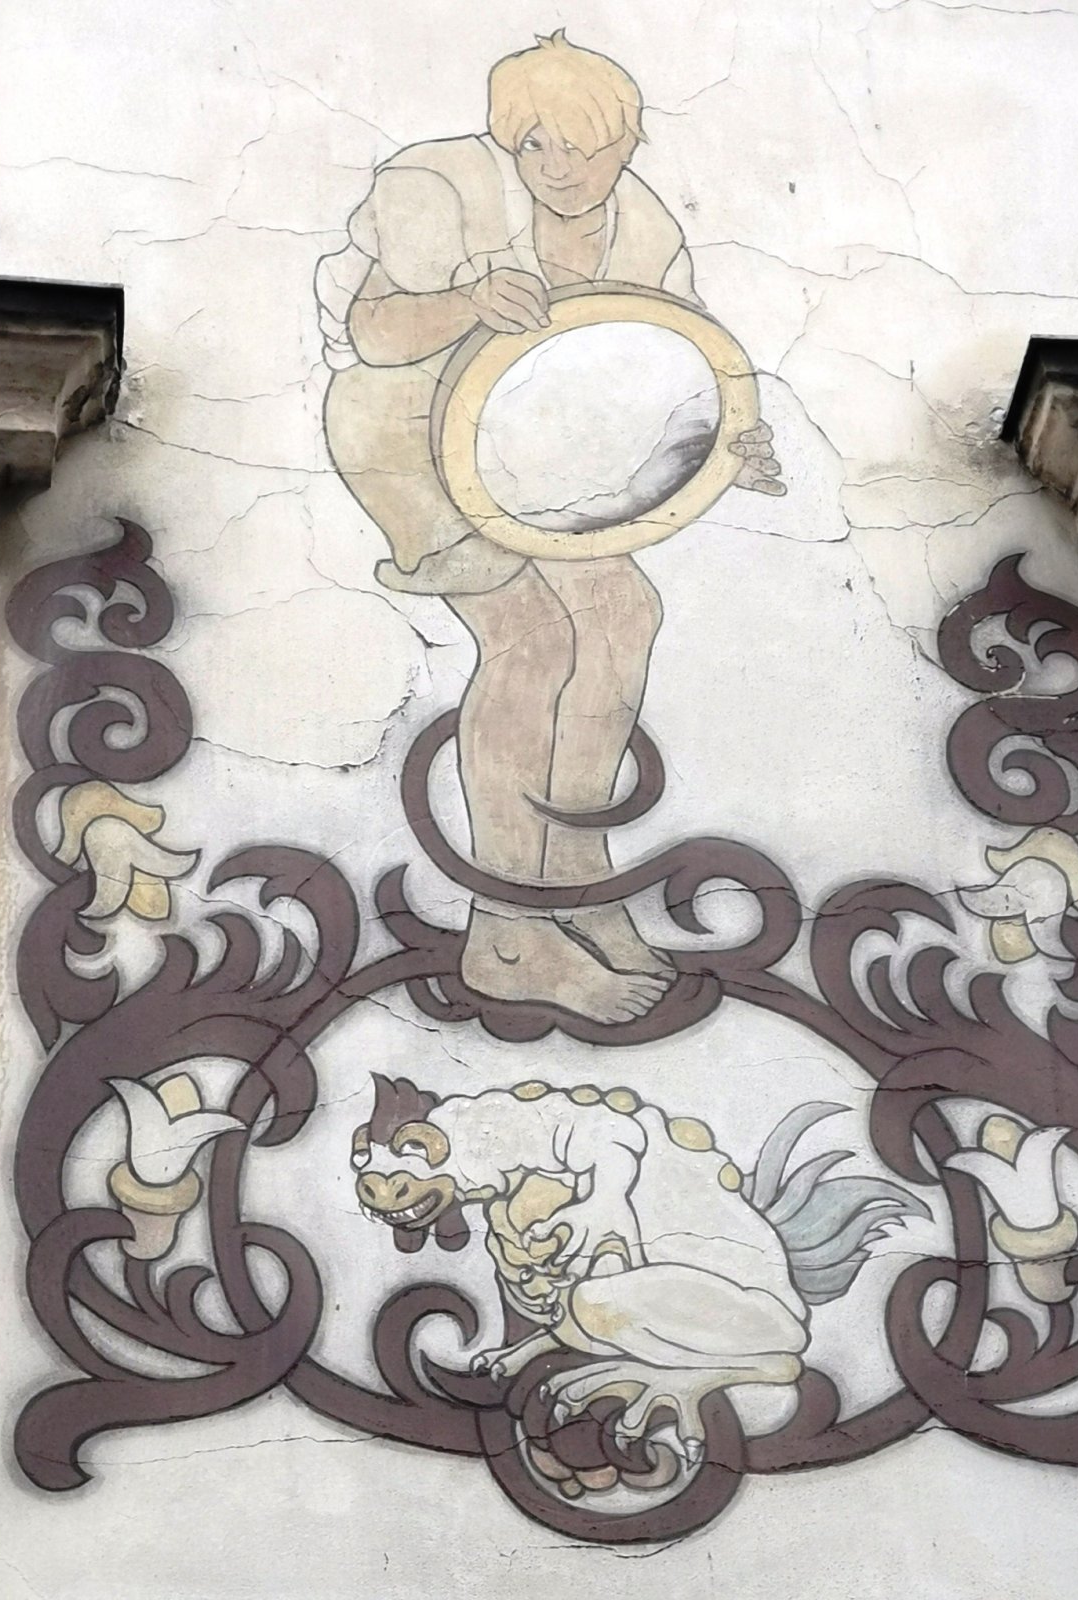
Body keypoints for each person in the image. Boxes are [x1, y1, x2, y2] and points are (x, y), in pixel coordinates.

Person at [317, 31, 783, 1024]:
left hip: (537, 450)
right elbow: (371, 331)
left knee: (623, 615)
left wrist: (728, 446)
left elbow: (675, 367)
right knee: (530, 640)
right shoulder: (440, 186)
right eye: (535, 147)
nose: (559, 169)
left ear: (626, 143)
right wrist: (464, 301)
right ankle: (505, 934)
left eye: (582, 147)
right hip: (405, 432)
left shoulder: (644, 229)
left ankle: (574, 868)